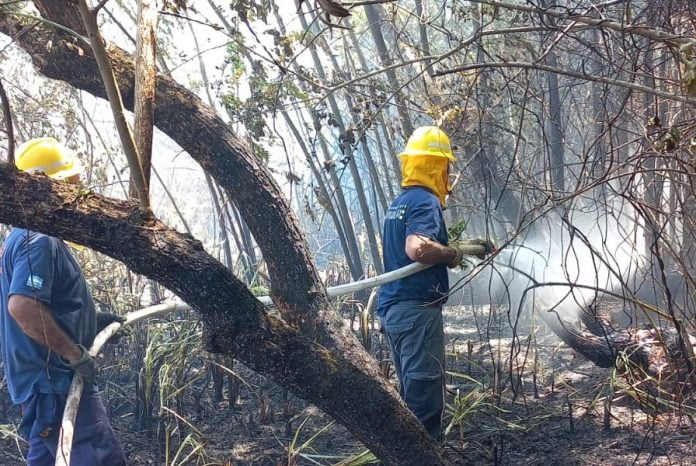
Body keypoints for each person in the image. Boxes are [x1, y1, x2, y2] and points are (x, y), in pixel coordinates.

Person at [0, 137, 127, 465]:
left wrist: (89, 320)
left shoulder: (23, 236)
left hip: (45, 385)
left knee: (48, 455)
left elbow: (45, 303)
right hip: (54, 382)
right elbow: (24, 308)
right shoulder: (39, 239)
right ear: (43, 187)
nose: (75, 194)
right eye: (67, 184)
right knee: (99, 455)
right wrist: (73, 353)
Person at [378, 126, 494, 440]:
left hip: (395, 312)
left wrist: (465, 248)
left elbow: (415, 251)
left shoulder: (400, 202)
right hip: (416, 313)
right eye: (446, 167)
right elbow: (418, 248)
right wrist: (451, 254)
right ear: (435, 166)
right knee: (425, 401)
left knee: (410, 394)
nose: (449, 176)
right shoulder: (425, 201)